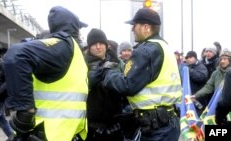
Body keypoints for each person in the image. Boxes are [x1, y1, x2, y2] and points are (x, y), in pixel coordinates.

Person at [4, 6, 88, 141]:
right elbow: (16, 55)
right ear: (72, 26)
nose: (81, 33)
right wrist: (25, 110)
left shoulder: (72, 50)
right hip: (48, 134)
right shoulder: (64, 45)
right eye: (79, 28)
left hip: (62, 134)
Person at [101, 8, 181, 141]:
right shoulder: (164, 47)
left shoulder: (145, 51)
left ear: (145, 27)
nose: (132, 29)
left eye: (135, 25)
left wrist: (108, 72)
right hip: (168, 123)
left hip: (156, 129)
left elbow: (127, 86)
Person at [84, 28, 126, 141]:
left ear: (106, 45)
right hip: (92, 127)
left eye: (101, 43)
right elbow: (81, 88)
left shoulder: (118, 63)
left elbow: (127, 86)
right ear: (89, 47)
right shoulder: (83, 63)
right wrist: (98, 72)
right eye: (94, 44)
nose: (98, 47)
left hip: (116, 125)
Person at [185, 51, 208, 115]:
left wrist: (190, 71)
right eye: (187, 58)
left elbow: (201, 78)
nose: (188, 59)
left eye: (190, 57)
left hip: (198, 98)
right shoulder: (187, 67)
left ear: (195, 58)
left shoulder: (201, 67)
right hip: (189, 97)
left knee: (197, 118)